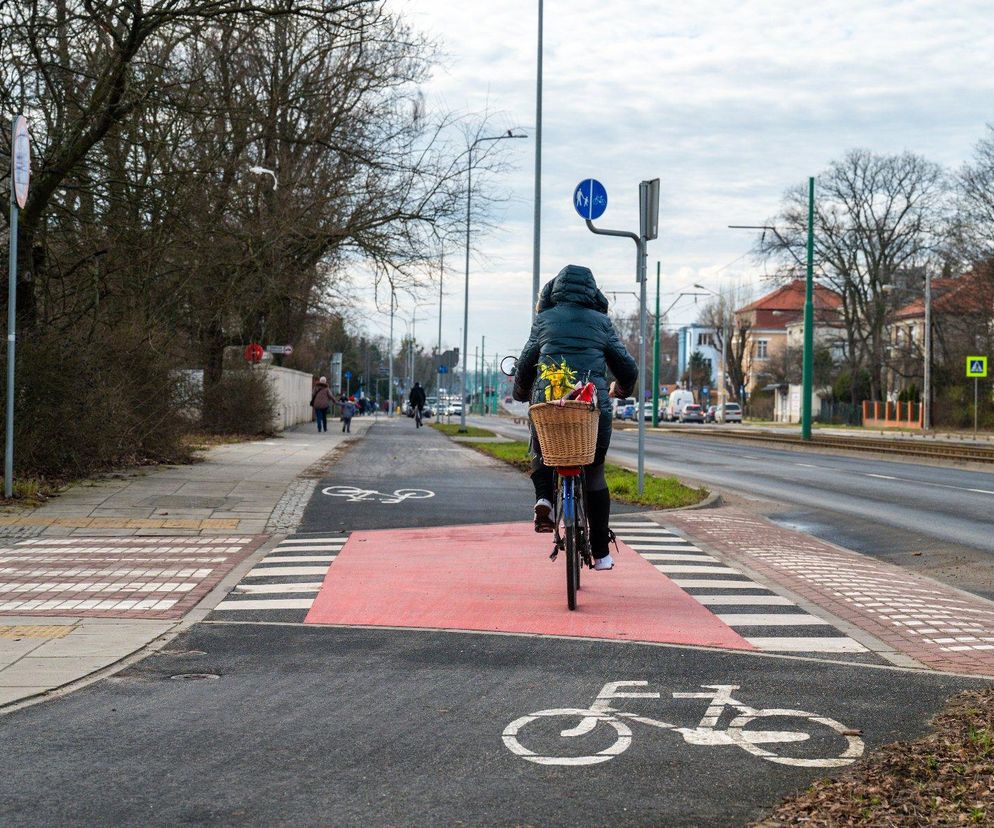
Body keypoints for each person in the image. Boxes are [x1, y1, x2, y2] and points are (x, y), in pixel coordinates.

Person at [513, 264, 638, 571]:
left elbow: (526, 363)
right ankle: (601, 553)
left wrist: (521, 392)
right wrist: (619, 389)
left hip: (549, 401)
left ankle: (544, 500)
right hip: (591, 408)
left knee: (542, 449)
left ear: (555, 292)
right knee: (594, 472)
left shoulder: (543, 320)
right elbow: (628, 367)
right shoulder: (601, 323)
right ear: (592, 293)